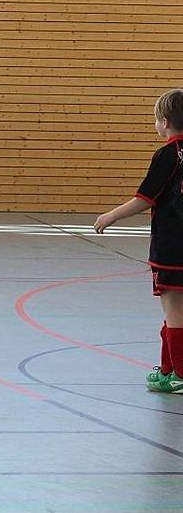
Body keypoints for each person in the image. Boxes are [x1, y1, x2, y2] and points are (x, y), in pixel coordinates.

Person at [95, 88, 183, 393]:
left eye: (156, 120)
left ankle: (180, 374)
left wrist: (110, 216)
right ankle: (168, 370)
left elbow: (146, 198)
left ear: (166, 122)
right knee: (175, 313)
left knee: (174, 311)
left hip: (171, 246)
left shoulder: (167, 155)